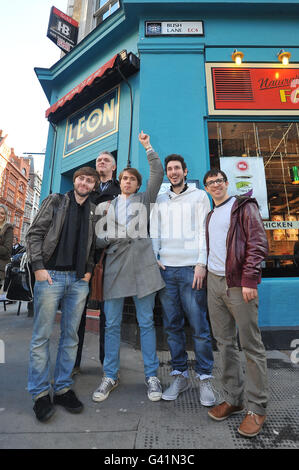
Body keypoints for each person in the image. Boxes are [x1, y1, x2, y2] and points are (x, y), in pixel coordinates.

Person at [92, 131, 165, 403]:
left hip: (143, 266)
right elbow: (98, 240)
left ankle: (152, 376)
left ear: (137, 184)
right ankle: (110, 375)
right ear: (119, 182)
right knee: (111, 323)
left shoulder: (145, 199)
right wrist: (110, 237)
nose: (128, 182)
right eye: (124, 178)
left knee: (146, 322)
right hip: (114, 267)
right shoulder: (106, 205)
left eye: (132, 179)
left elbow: (157, 173)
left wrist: (148, 146)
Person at [26, 167, 99, 422]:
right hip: (50, 276)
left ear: (93, 186)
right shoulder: (55, 201)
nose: (85, 183)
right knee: (42, 337)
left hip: (78, 281)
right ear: (75, 181)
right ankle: (39, 394)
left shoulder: (93, 211)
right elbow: (34, 234)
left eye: (90, 180)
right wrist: (38, 268)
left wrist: (88, 273)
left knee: (70, 337)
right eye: (81, 178)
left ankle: (63, 388)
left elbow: (92, 247)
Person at [203, 168, 269, 438]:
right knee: (225, 343)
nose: (215, 185)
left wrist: (250, 279)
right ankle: (234, 398)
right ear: (207, 188)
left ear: (226, 183)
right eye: (210, 183)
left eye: (219, 181)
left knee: (251, 346)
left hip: (239, 284)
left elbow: (258, 243)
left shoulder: (243, 206)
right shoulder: (210, 214)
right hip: (214, 282)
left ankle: (257, 408)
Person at [150, 155, 215, 406]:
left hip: (191, 269)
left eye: (177, 168)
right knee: (172, 326)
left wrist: (201, 263)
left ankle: (205, 378)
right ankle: (180, 375)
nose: (173, 172)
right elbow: (154, 229)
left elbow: (203, 230)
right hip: (167, 269)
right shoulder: (160, 198)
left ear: (185, 171)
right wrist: (155, 257)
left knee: (199, 326)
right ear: (167, 173)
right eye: (170, 169)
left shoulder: (199, 196)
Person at [75, 151, 120, 372]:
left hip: (109, 258)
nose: (101, 162)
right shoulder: (86, 189)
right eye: (98, 160)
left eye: (105, 160)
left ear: (114, 167)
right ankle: (73, 364)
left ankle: (107, 365)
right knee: (77, 314)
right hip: (83, 258)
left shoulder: (121, 191)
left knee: (108, 317)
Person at [0, 204, 13, 289]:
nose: (0, 215)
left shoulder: (8, 229)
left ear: (5, 216)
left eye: (2, 213)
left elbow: (6, 251)